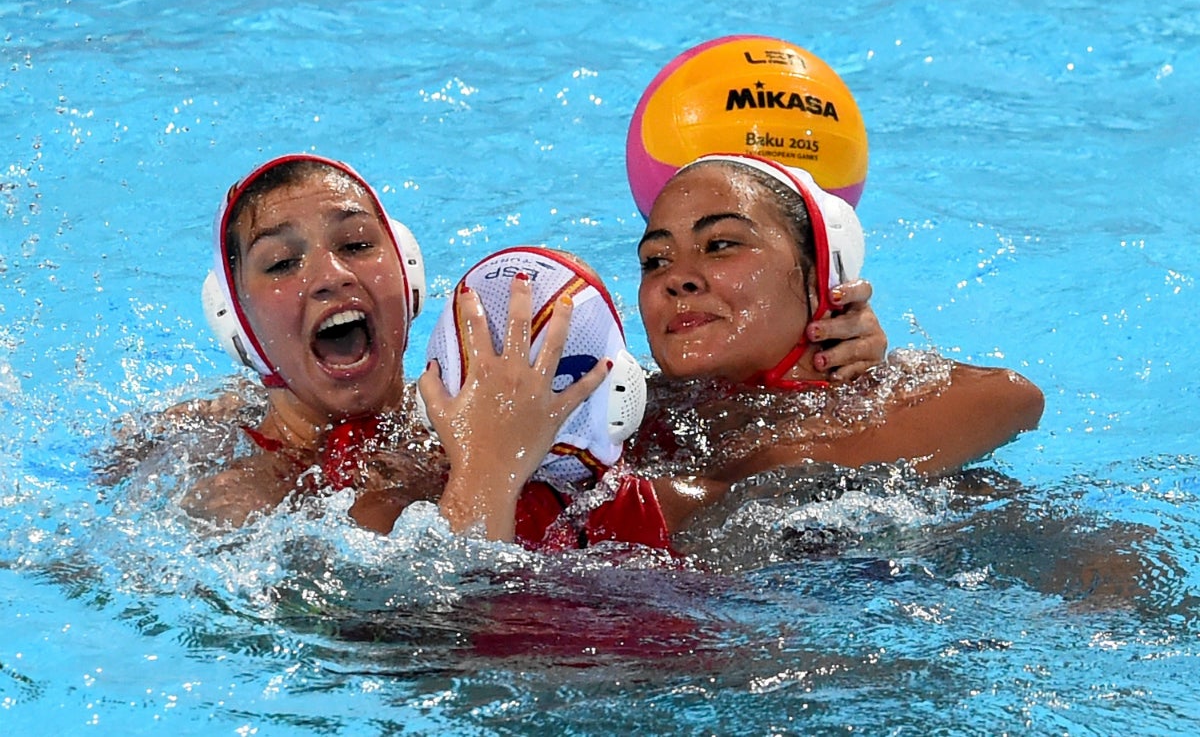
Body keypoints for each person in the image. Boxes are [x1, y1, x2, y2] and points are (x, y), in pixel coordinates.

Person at [181, 154, 611, 541]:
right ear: (235, 320)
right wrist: (490, 469)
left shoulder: (477, 410)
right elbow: (437, 618)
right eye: (281, 263)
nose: (332, 275)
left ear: (410, 278)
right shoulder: (240, 506)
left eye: (356, 245)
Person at [626, 153, 1045, 529]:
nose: (676, 279)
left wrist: (768, 468)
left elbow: (1013, 397)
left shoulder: (879, 398)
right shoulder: (626, 409)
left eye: (720, 245)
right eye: (655, 260)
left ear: (819, 279)